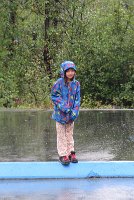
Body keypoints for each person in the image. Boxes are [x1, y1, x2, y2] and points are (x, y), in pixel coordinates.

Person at [51, 61, 81, 165]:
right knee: (61, 135)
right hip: (60, 115)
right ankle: (63, 155)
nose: (70, 73)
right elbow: (54, 96)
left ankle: (71, 153)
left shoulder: (76, 84)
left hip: (71, 115)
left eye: (72, 71)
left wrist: (75, 111)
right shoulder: (58, 83)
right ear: (63, 72)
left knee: (69, 134)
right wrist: (65, 107)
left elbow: (77, 99)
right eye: (68, 71)